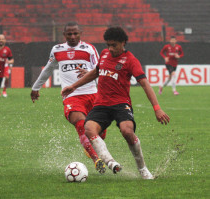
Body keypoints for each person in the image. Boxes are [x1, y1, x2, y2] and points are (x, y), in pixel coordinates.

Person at [61, 27, 170, 179]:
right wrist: (74, 86)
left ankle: (143, 169)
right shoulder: (105, 54)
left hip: (121, 104)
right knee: (89, 128)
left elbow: (145, 84)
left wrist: (157, 108)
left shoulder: (131, 60)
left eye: (114, 45)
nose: (110, 49)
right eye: (108, 45)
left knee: (127, 131)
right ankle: (110, 162)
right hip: (101, 104)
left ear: (123, 43)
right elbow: (96, 72)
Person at [31, 22, 107, 174]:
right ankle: (96, 159)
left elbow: (101, 69)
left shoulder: (89, 49)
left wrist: (90, 73)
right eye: (69, 34)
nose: (72, 37)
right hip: (71, 96)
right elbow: (48, 69)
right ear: (64, 35)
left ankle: (92, 148)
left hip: (92, 94)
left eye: (75, 34)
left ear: (80, 33)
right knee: (81, 125)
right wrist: (36, 87)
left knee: (99, 133)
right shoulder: (57, 50)